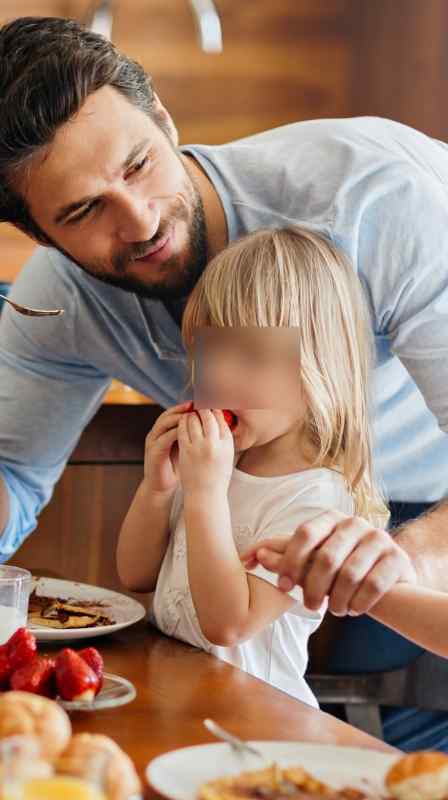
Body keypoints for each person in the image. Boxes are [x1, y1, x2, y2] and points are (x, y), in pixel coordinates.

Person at [0, 16, 448, 748]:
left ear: (162, 116)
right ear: (40, 235)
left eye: (137, 165)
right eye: (84, 210)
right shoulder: (62, 300)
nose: (141, 220)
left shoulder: (373, 203)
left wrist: (394, 557)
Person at [116, 227, 384, 706]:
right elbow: (136, 575)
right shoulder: (217, 463)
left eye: (251, 355)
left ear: (317, 371)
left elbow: (229, 623)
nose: (218, 376)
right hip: (176, 695)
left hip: (254, 717)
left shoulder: (318, 501)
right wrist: (157, 490)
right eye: (210, 350)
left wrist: (203, 495)